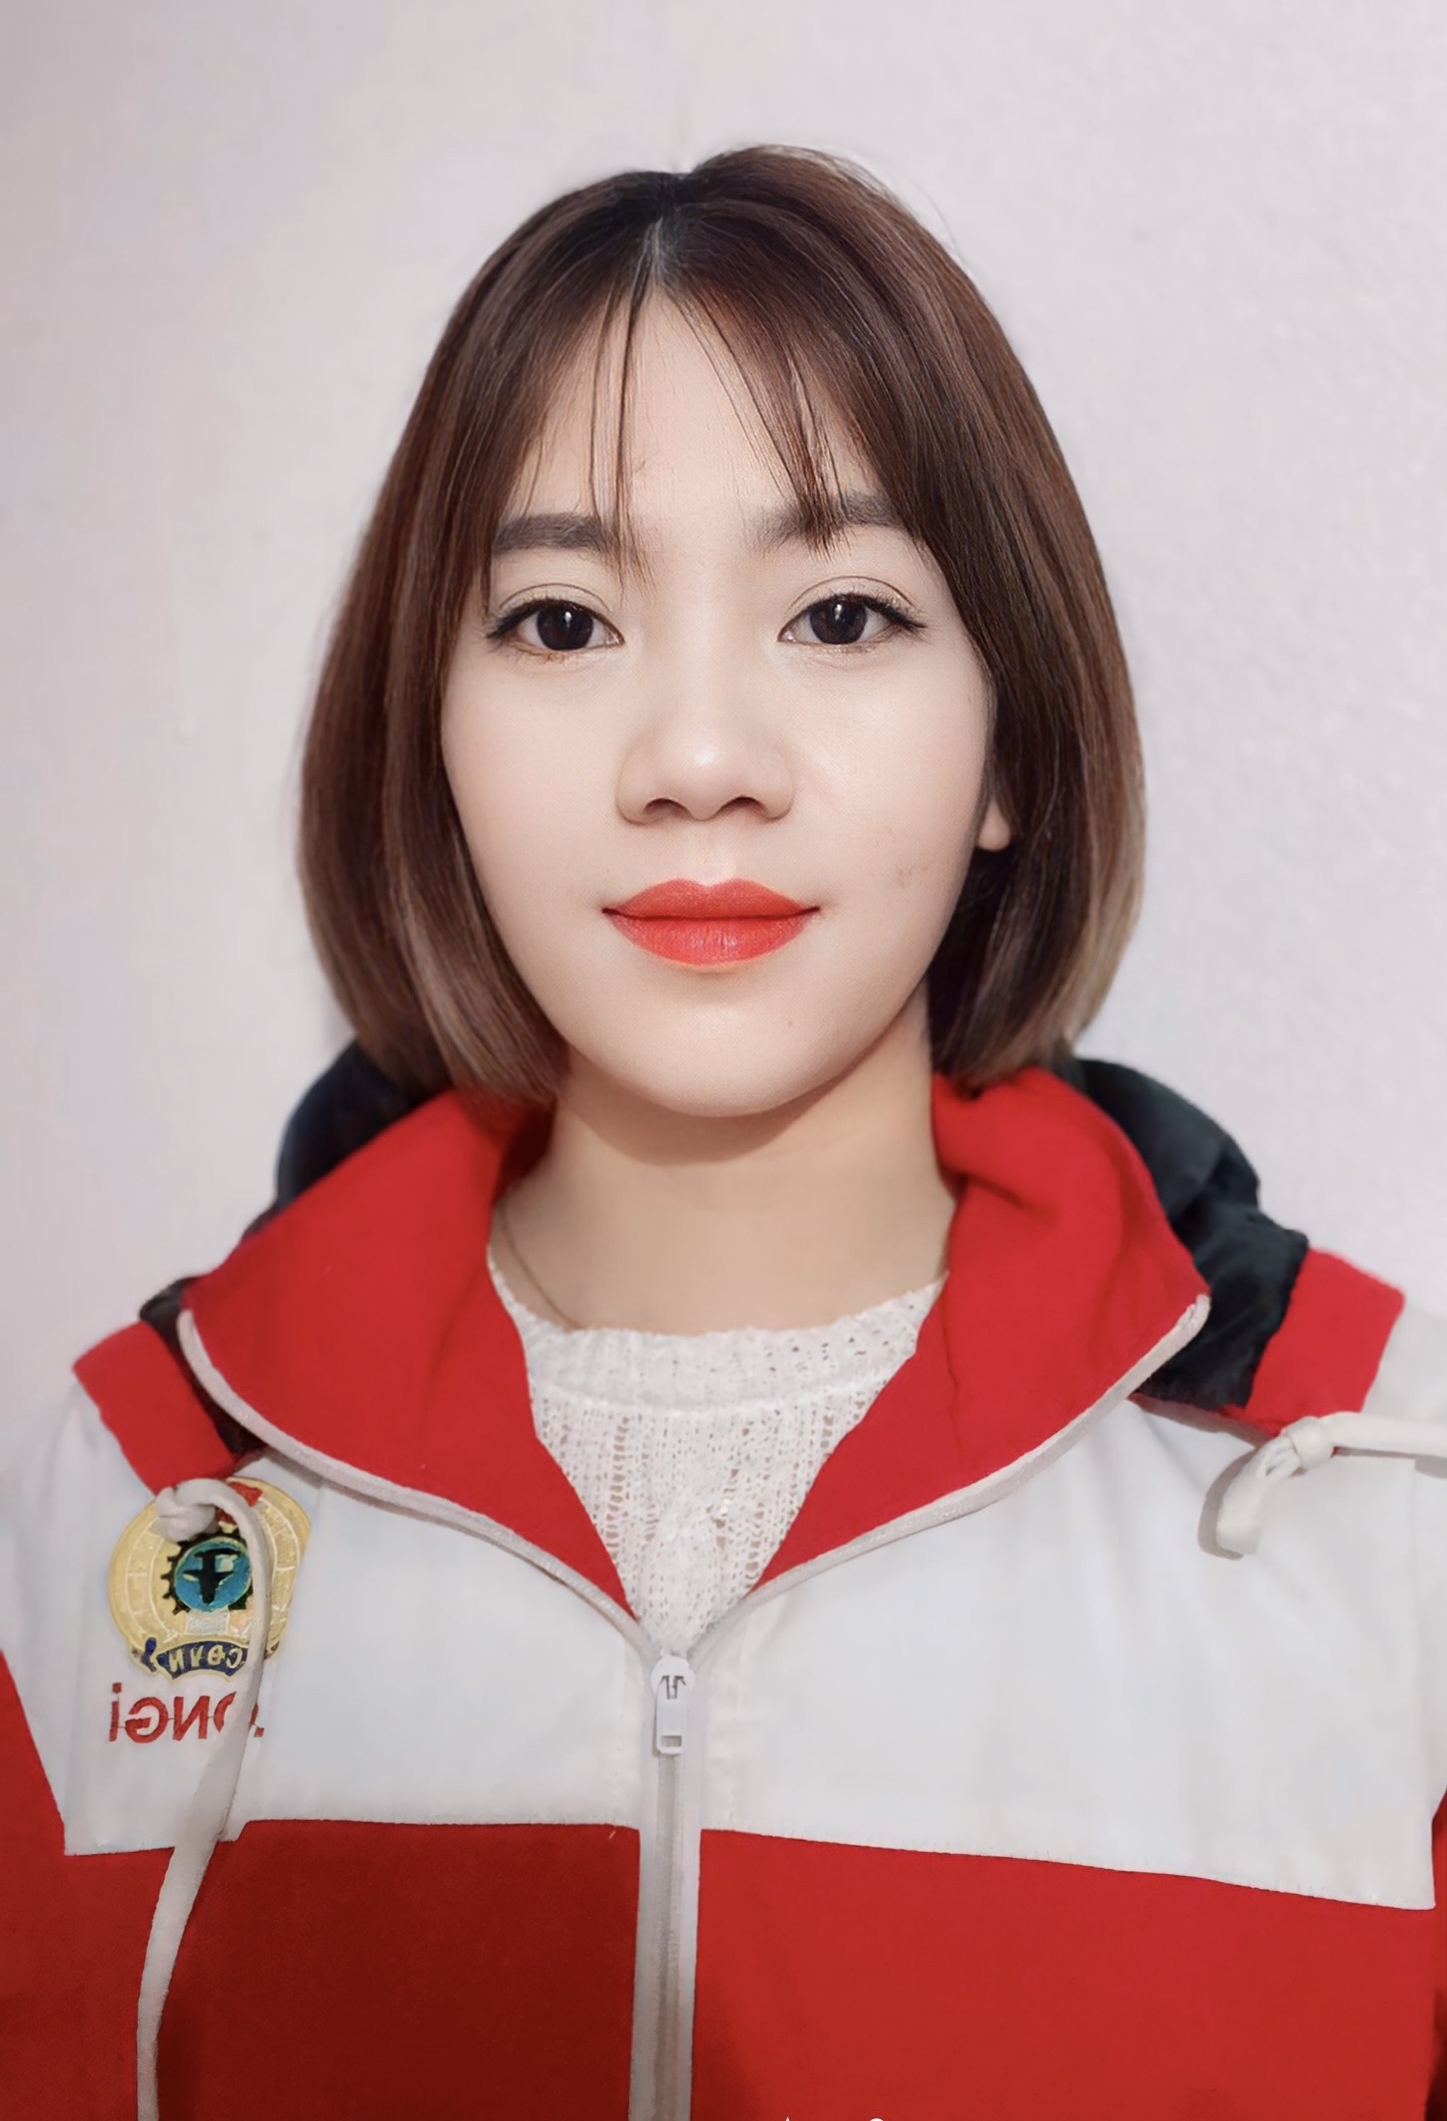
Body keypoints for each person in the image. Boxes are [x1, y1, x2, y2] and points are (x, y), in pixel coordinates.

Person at [2, 146, 1443, 2121]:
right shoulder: (106, 1512)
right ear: (430, 740)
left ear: (1011, 742)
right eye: (561, 623)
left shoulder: (1387, 1514)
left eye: (840, 615)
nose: (696, 761)